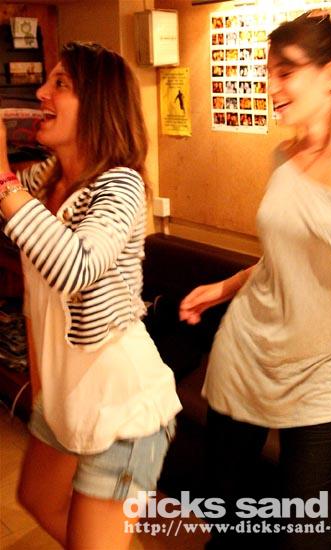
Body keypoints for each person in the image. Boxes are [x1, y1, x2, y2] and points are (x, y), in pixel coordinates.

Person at [180, 12, 331, 549]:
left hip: (323, 369)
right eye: (269, 73)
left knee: (306, 529)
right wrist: (224, 288)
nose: (271, 87)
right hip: (245, 355)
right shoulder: (282, 155)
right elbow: (282, 259)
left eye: (285, 72)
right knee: (230, 515)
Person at [0, 41, 181, 549]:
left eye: (60, 84)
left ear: (99, 103)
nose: (41, 93)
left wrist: (3, 181)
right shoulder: (46, 178)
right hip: (67, 397)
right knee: (37, 497)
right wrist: (43, 385)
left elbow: (75, 267)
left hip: (123, 406)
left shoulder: (119, 186)